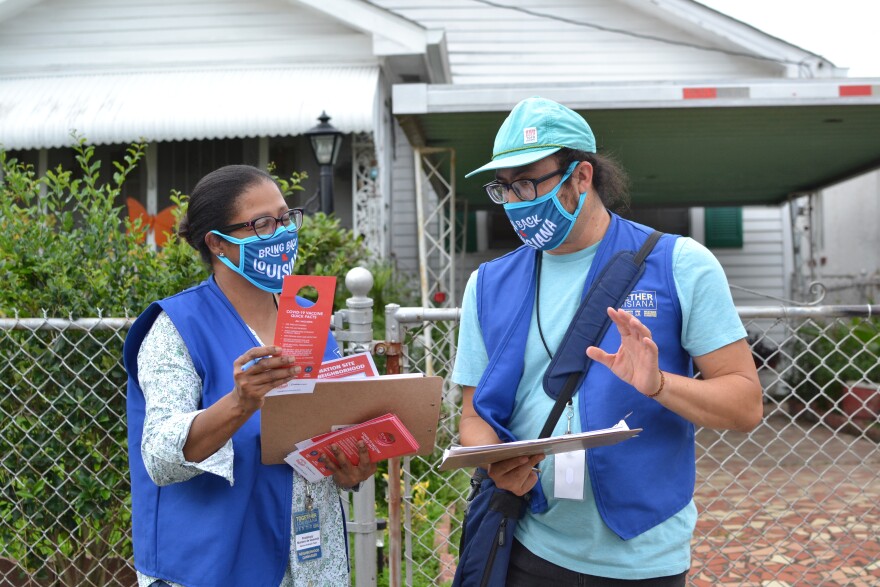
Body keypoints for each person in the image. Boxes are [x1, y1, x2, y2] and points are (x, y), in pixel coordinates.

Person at [452, 97, 762, 586]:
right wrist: (496, 462)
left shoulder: (680, 264)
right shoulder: (486, 284)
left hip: (645, 557)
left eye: (530, 181)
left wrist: (660, 385)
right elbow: (472, 416)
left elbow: (744, 404)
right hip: (528, 541)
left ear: (582, 176)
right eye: (504, 188)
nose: (516, 202)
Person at [123, 165, 376, 587]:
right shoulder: (176, 326)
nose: (280, 233)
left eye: (285, 218)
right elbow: (161, 456)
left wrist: (348, 469)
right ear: (218, 244)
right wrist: (239, 404)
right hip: (212, 563)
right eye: (261, 224)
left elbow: (325, 434)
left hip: (310, 562)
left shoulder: (308, 318)